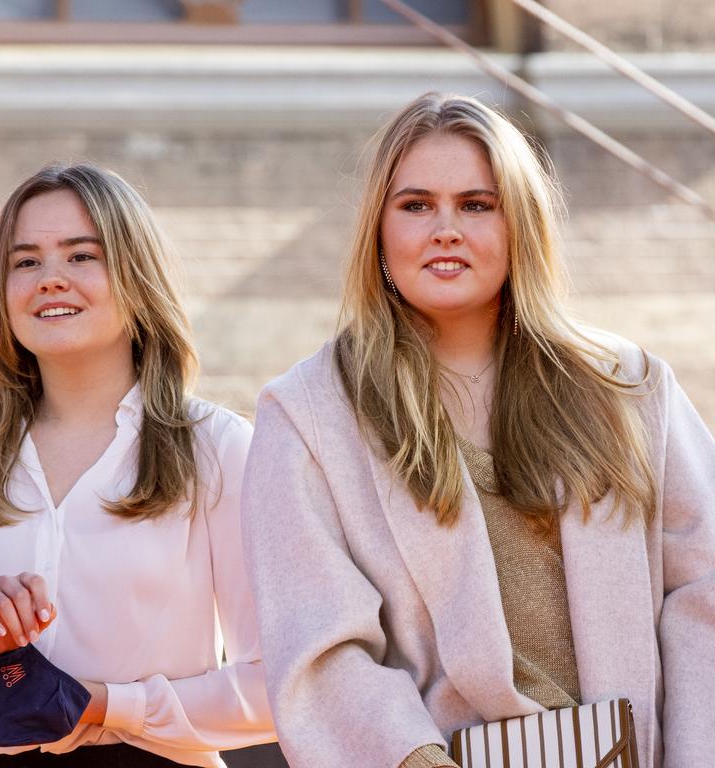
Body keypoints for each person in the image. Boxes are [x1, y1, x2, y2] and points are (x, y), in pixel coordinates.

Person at [241, 93, 715, 768]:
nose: (445, 229)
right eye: (415, 205)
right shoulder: (308, 414)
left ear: (518, 223)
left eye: (476, 204)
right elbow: (320, 646)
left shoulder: (628, 387)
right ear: (378, 229)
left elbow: (702, 591)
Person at [0, 164, 275, 766]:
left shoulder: (221, 449)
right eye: (26, 262)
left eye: (81, 256)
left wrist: (107, 704)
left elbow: (276, 685)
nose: (50, 280)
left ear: (135, 274)